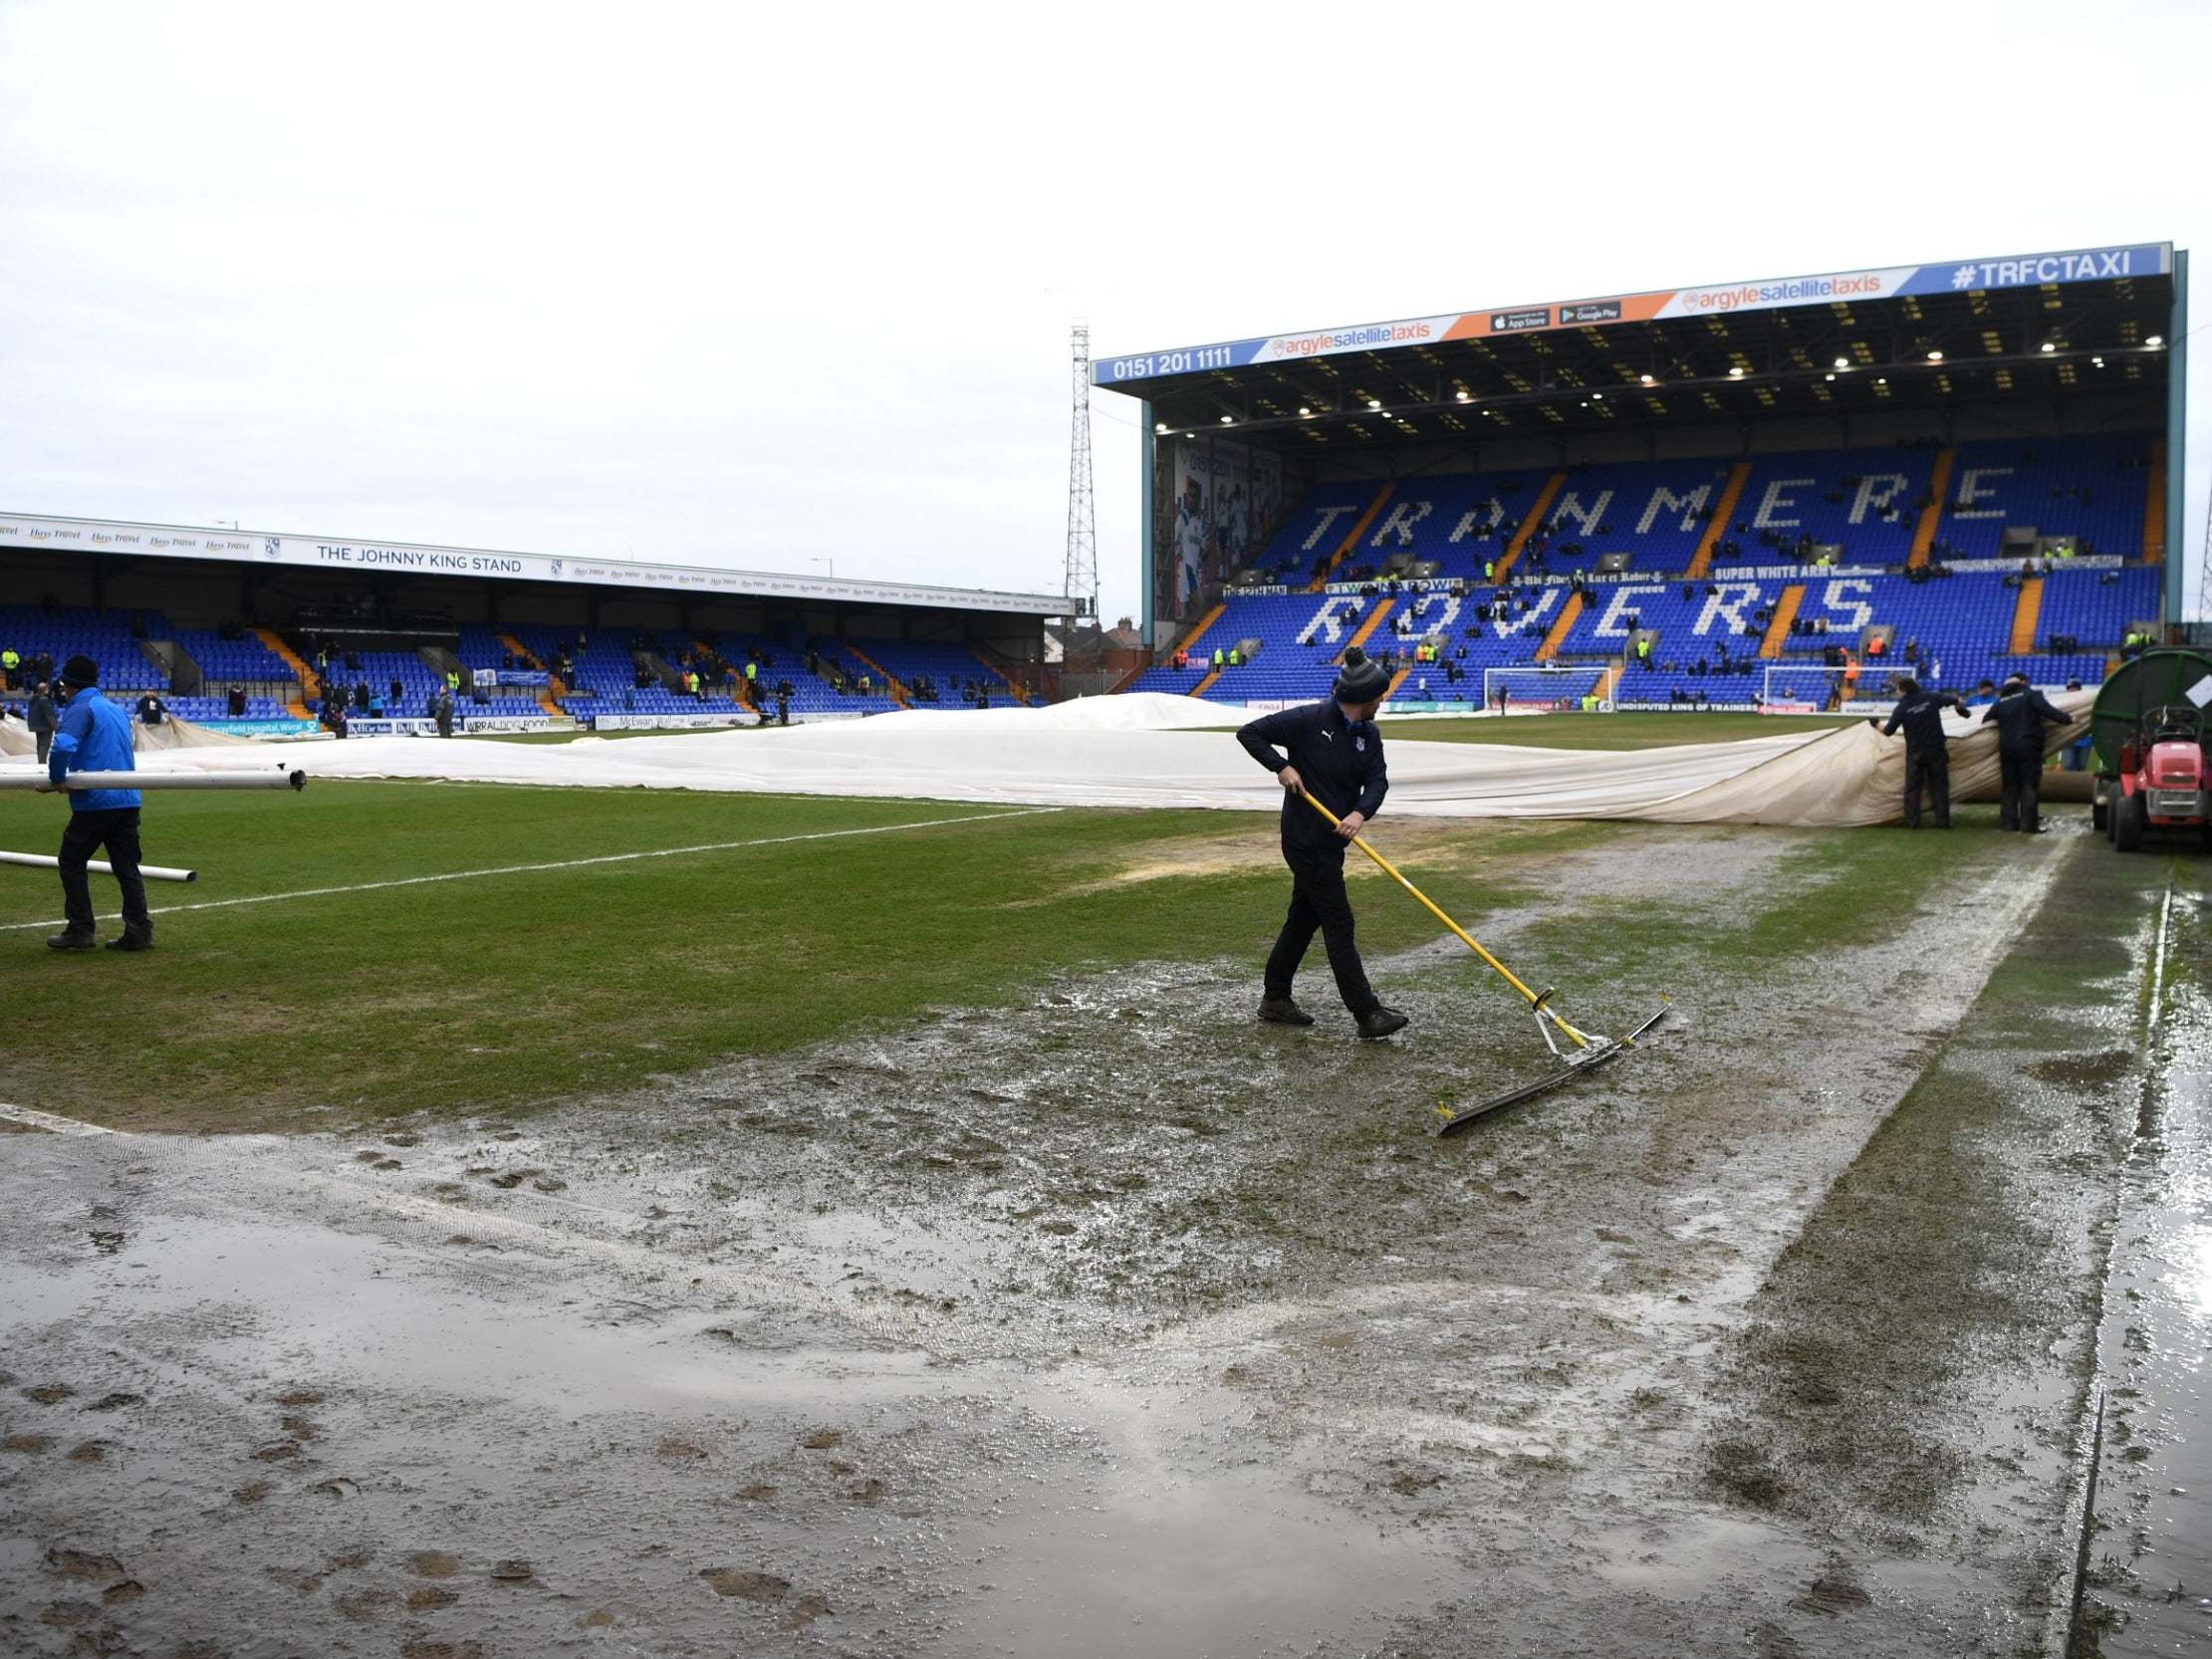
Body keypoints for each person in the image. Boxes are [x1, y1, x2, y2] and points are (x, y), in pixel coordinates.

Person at [1235, 647, 1407, 1041]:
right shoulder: (1309, 720)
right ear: (1365, 697)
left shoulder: (1369, 735)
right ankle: (1366, 1012)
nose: (1382, 702)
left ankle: (1275, 997)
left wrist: (1360, 812)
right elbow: (1250, 734)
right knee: (1338, 921)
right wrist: (1282, 767)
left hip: (1331, 843)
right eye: (1379, 696)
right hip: (1304, 839)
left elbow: (1378, 781)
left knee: (1303, 918)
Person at [36, 656, 152, 951]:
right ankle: (139, 932)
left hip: (96, 801)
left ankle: (80, 929)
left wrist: (56, 779)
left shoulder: (80, 708)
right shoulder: (115, 709)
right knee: (127, 867)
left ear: (69, 685)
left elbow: (63, 745)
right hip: (127, 798)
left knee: (71, 861)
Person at [1874, 675, 1970, 830]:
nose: (1897, 693)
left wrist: (1875, 723)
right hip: (1936, 749)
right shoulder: (1930, 697)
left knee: (1913, 789)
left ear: (1904, 690)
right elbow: (1955, 700)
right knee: (1939, 787)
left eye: (1898, 690)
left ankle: (1912, 822)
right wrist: (1961, 709)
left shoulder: (1902, 708)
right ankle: (1943, 822)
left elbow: (1888, 731)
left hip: (1915, 752)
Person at [1981, 674, 2072, 832]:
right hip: (2028, 745)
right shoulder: (2031, 695)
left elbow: (1986, 719)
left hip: (2006, 748)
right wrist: (2068, 719)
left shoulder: (2001, 701)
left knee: (2010, 786)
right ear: (2023, 683)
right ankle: (2028, 825)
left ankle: (2009, 824)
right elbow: (2047, 710)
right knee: (2029, 785)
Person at [26, 680, 57, 764]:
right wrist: (55, 727)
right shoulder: (45, 700)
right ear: (46, 690)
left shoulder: (32, 699)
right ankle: (42, 762)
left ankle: (40, 761)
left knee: (40, 744)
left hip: (36, 725)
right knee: (45, 745)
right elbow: (49, 715)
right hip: (45, 726)